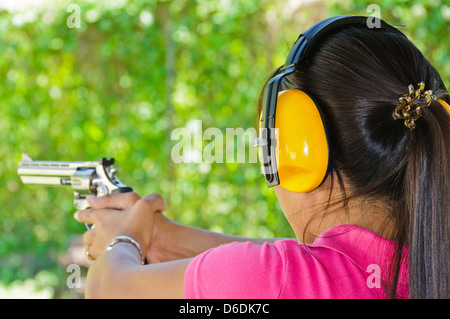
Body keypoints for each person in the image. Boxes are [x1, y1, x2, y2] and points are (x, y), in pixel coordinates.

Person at [74, 15, 449, 299]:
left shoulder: (279, 279)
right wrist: (161, 238)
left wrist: (121, 243)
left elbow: (107, 287)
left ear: (296, 156)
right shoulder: (428, 260)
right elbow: (295, 269)